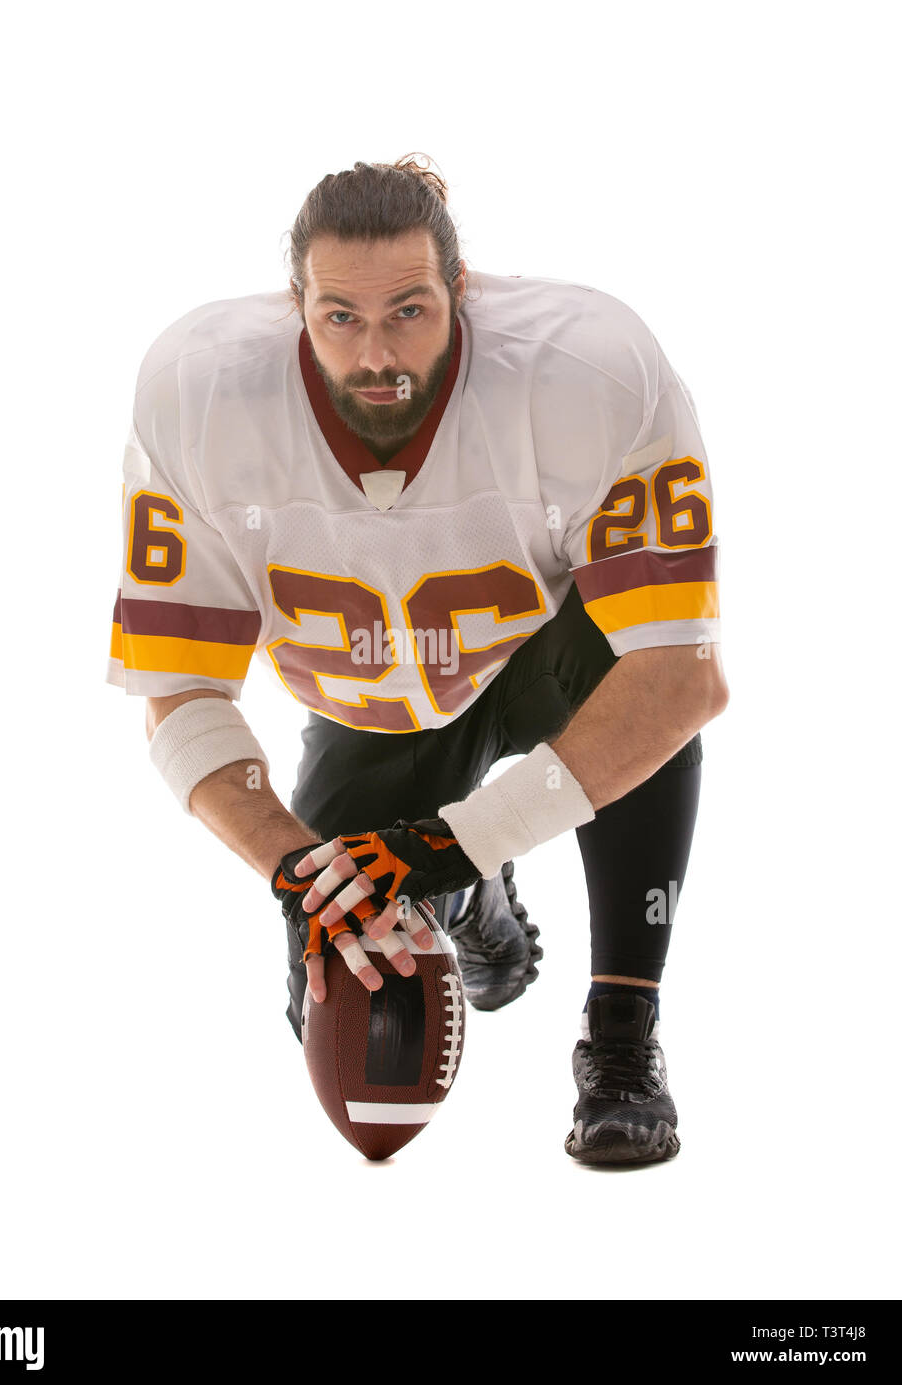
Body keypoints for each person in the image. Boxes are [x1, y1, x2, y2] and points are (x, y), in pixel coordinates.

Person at [106, 154, 728, 1164]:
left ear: (462, 289)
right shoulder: (201, 392)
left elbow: (679, 676)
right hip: (367, 710)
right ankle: (476, 900)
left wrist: (449, 842)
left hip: (541, 662)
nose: (375, 354)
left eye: (411, 309)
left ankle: (620, 1040)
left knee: (631, 661)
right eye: (340, 317)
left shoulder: (587, 371)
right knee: (340, 1003)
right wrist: (295, 868)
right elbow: (176, 690)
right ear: (294, 306)